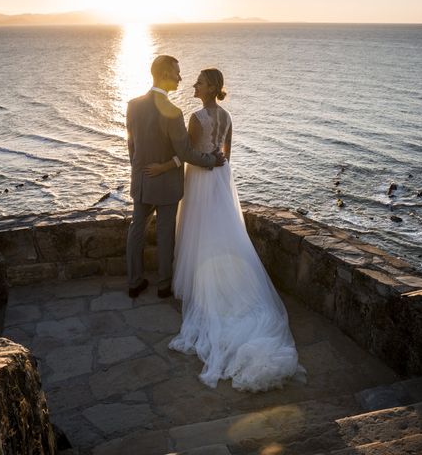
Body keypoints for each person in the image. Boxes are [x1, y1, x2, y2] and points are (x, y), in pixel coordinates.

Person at [145, 68, 305, 392]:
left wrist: (164, 166)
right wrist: (215, 158)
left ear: (211, 87)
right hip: (219, 179)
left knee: (198, 231)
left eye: (200, 82)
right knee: (221, 230)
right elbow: (226, 155)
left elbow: (187, 154)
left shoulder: (196, 117)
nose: (194, 84)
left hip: (201, 179)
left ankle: (204, 288)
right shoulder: (228, 117)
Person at [126, 55, 225, 299]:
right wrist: (212, 160)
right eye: (176, 73)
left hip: (141, 180)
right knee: (165, 234)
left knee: (136, 230)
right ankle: (163, 286)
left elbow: (131, 145)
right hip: (167, 185)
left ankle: (133, 282)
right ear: (163, 75)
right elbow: (186, 152)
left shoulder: (133, 104)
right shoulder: (173, 111)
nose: (181, 78)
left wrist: (138, 171)